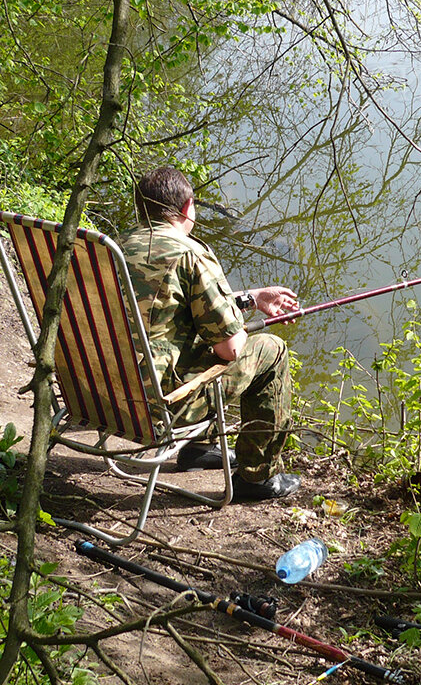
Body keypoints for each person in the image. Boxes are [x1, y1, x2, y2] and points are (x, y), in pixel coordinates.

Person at [119, 166, 302, 501]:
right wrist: (237, 326)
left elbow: (169, 310)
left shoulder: (114, 249)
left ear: (140, 209)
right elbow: (231, 348)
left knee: (195, 336)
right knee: (271, 350)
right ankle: (257, 478)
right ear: (188, 207)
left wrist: (250, 299)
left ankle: (198, 451)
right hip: (156, 406)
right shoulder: (189, 253)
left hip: (102, 393)